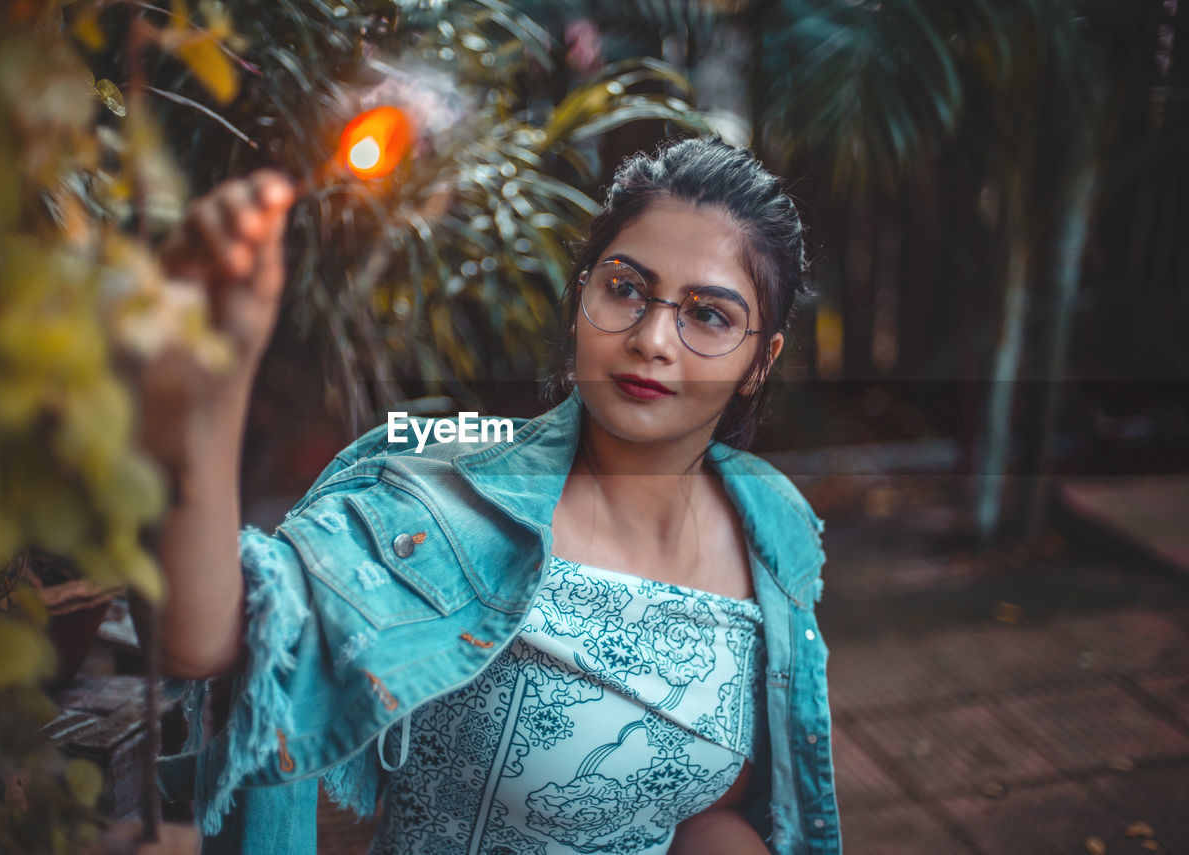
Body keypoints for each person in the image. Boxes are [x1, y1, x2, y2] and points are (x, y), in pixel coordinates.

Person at [149, 137, 840, 855]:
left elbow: (708, 812)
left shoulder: (770, 525)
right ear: (582, 296)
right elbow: (209, 638)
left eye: (710, 316)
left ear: (762, 360)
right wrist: (205, 408)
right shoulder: (453, 492)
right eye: (627, 288)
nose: (653, 338)